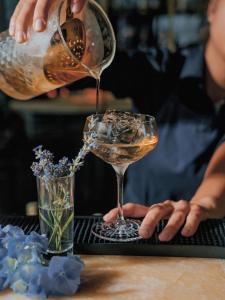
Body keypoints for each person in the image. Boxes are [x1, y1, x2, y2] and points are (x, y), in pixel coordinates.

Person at [9, 0, 225, 241]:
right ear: (212, 9)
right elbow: (97, 66)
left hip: (202, 236)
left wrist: (202, 207)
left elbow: (220, 179)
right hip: (136, 234)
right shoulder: (165, 70)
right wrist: (61, 37)